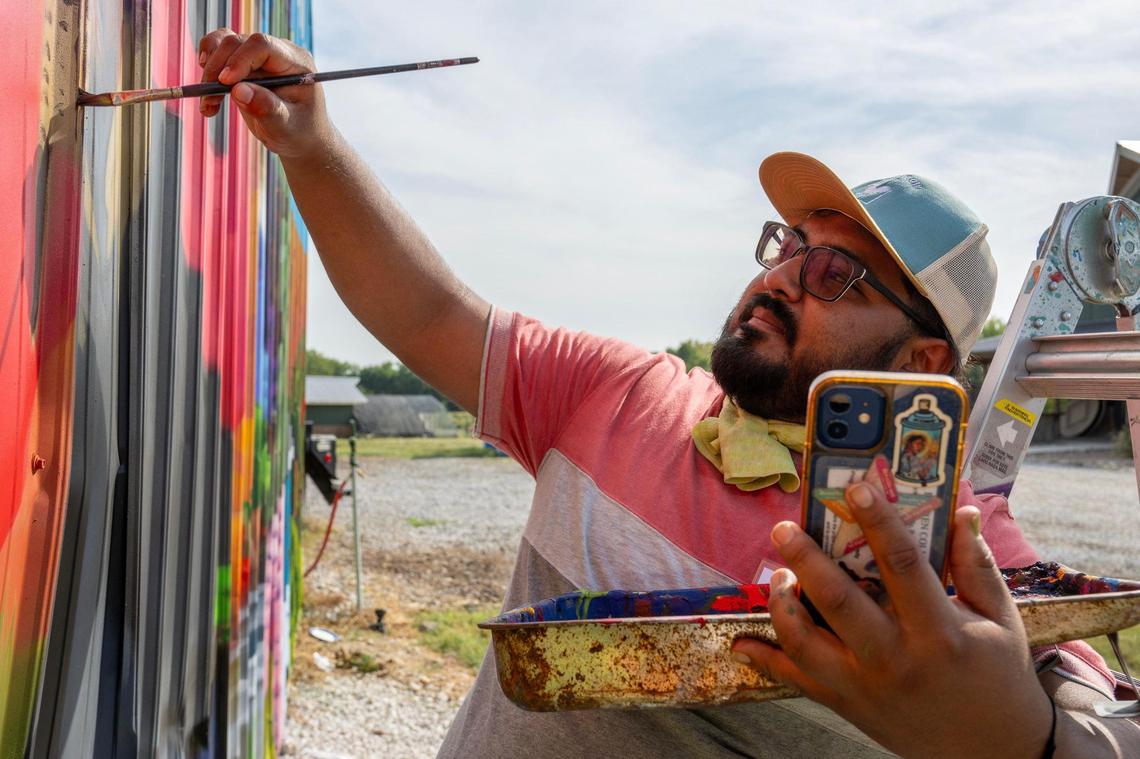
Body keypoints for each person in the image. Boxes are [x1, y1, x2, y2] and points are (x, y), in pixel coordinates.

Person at [197, 29, 1140, 758]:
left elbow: (1094, 707)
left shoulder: (951, 551)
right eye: (786, 248)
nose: (780, 278)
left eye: (835, 276)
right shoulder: (616, 392)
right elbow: (428, 311)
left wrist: (1029, 738)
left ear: (926, 362)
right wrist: (310, 144)